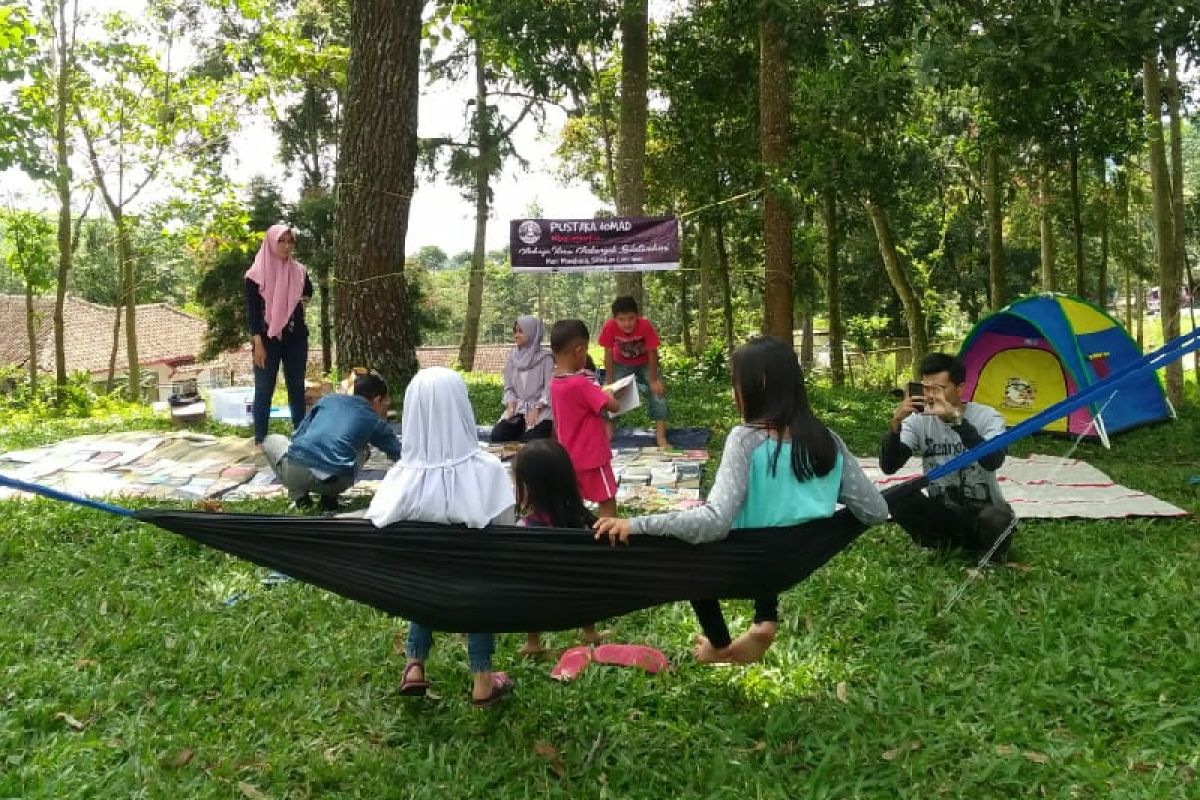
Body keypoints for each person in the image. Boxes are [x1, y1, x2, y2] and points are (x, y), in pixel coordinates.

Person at [594, 336, 888, 665]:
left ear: (758, 384)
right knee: (769, 519)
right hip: (798, 563)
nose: (734, 393)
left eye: (736, 383)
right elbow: (876, 511)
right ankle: (765, 619)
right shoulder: (828, 439)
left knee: (684, 547)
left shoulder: (746, 438)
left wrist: (635, 524)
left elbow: (714, 524)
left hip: (750, 565)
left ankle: (718, 646)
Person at [365, 367, 517, 708]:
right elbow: (506, 531)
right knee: (480, 577)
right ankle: (482, 680)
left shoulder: (399, 479)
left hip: (422, 588)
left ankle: (414, 665)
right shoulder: (488, 470)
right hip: (475, 586)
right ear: (462, 406)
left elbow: (376, 523)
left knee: (426, 576)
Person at [880, 352, 1016, 563]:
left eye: (939, 389)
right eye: (926, 389)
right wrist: (896, 424)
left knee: (998, 520)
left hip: (981, 513)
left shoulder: (988, 417)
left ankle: (989, 555)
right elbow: (889, 466)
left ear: (960, 388)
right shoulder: (918, 420)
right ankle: (938, 544)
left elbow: (993, 461)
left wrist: (957, 421)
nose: (932, 396)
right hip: (942, 511)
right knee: (896, 495)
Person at [511, 439, 605, 656]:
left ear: (528, 487)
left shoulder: (524, 529)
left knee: (527, 588)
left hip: (538, 596)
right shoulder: (582, 524)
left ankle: (533, 643)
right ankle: (590, 632)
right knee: (584, 581)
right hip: (576, 591)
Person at [262, 372, 400, 512]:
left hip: (295, 472)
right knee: (363, 450)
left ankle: (300, 498)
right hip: (335, 482)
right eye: (385, 403)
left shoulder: (327, 400)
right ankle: (329, 499)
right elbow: (400, 454)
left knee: (270, 440)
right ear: (377, 399)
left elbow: (299, 435)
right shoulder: (374, 421)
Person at [245, 224, 313, 447]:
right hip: (266, 340)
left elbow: (308, 291)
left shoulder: (299, 271)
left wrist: (296, 302)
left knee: (296, 386)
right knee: (264, 388)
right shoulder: (255, 275)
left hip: (295, 338)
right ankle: (260, 439)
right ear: (271, 243)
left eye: (289, 241)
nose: (286, 246)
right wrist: (258, 342)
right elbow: (253, 312)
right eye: (281, 241)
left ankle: (301, 436)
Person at [550, 319, 622, 517]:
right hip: (593, 456)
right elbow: (613, 406)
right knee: (607, 499)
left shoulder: (555, 382)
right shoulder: (581, 384)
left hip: (568, 457)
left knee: (573, 501)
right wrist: (608, 393)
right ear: (579, 350)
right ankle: (608, 537)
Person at [598, 295, 670, 448]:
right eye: (621, 319)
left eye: (631, 318)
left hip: (644, 363)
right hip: (620, 363)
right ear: (615, 319)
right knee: (607, 394)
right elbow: (608, 354)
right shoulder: (610, 327)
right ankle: (608, 430)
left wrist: (653, 380)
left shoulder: (644, 326)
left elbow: (652, 352)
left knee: (658, 392)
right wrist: (610, 382)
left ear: (637, 316)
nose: (627, 323)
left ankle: (661, 436)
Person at [491, 315, 555, 442]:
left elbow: (550, 387)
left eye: (521, 331)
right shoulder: (512, 357)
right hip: (518, 408)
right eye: (515, 331)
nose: (516, 335)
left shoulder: (546, 358)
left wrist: (537, 409)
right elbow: (508, 387)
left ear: (532, 333)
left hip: (540, 409)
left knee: (531, 440)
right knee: (498, 435)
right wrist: (510, 404)